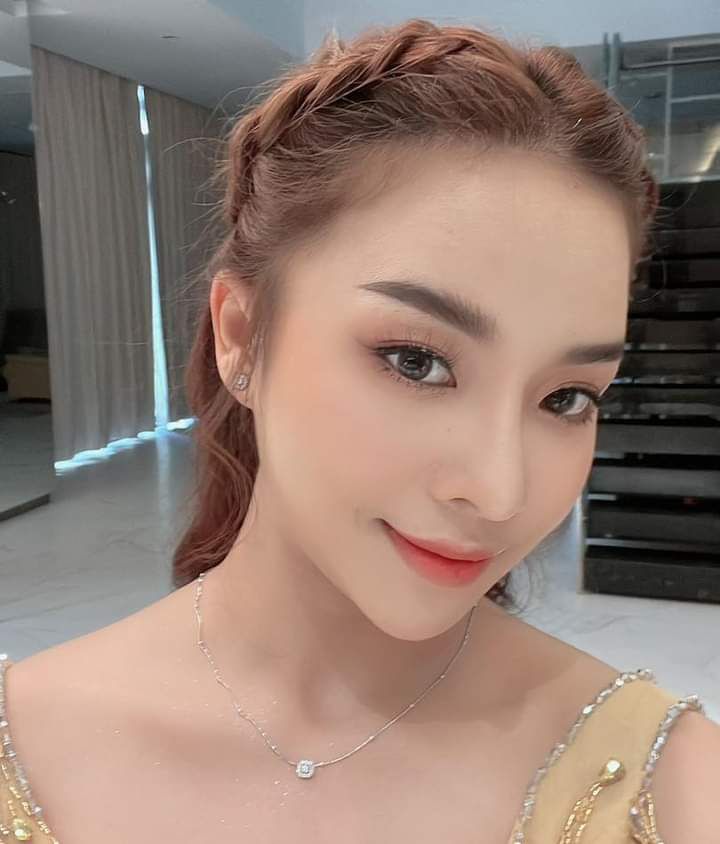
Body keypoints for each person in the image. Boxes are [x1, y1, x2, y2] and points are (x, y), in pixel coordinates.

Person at [1, 17, 718, 844]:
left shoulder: (677, 789)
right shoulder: (27, 746)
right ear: (241, 336)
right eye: (417, 361)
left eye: (566, 399)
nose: (499, 491)